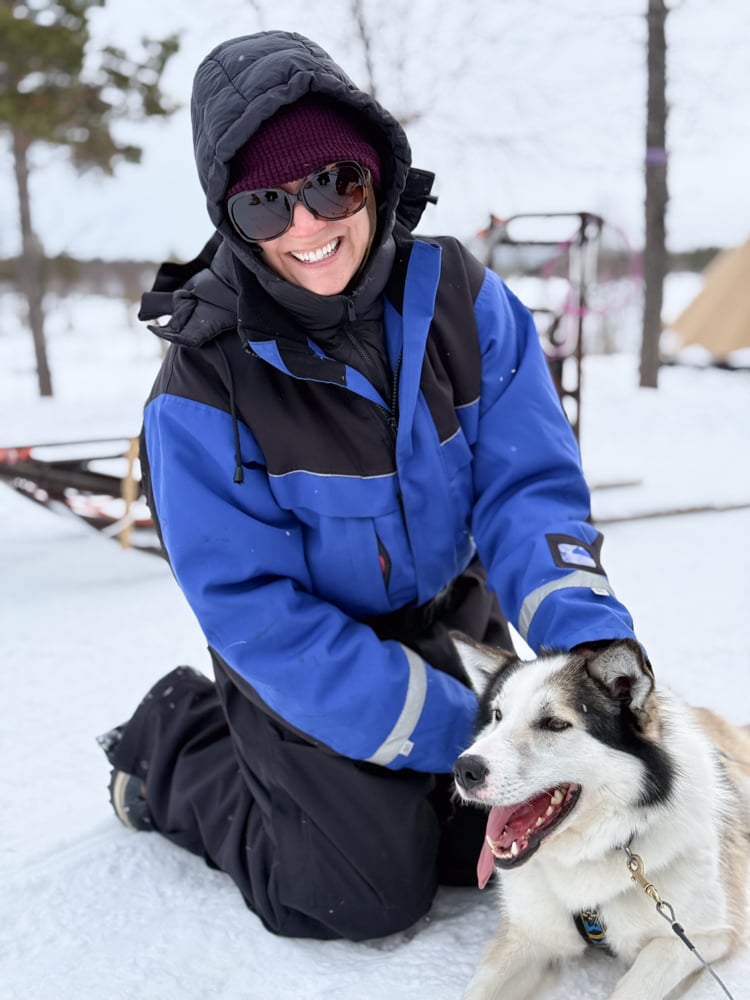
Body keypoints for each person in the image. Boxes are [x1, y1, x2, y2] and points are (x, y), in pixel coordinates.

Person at [99, 29, 638, 942]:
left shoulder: (463, 301)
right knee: (358, 893)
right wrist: (449, 730)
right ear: (232, 220)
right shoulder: (202, 387)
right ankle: (178, 739)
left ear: (375, 177)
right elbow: (254, 608)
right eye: (268, 205)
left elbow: (528, 490)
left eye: (331, 184)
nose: (308, 225)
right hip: (307, 654)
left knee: (493, 846)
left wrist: (586, 642)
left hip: (451, 616)